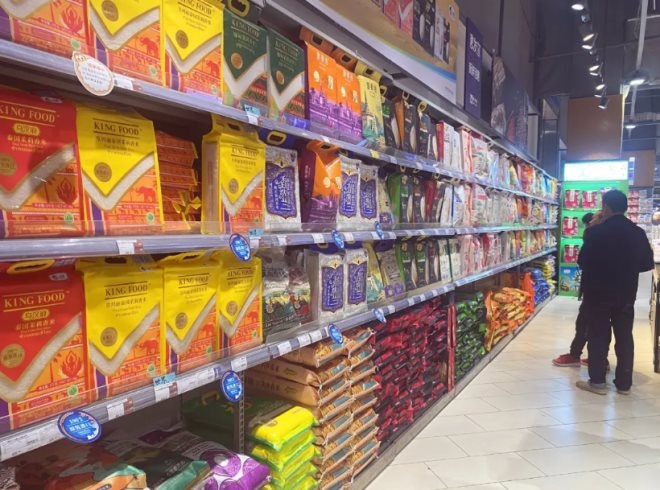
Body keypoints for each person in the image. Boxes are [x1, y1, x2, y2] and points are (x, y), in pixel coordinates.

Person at [576, 189, 654, 395]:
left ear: (606, 207)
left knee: (598, 335)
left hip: (598, 292)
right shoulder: (637, 233)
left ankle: (598, 382)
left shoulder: (595, 232)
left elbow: (582, 261)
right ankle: (624, 384)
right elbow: (646, 264)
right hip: (626, 293)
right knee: (625, 336)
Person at [552, 211, 605, 367]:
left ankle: (576, 355)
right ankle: (600, 359)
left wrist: (590, 230)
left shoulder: (594, 234)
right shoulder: (621, 234)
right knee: (602, 325)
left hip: (594, 287)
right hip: (613, 289)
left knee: (584, 322)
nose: (591, 221)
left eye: (595, 218)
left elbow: (582, 261)